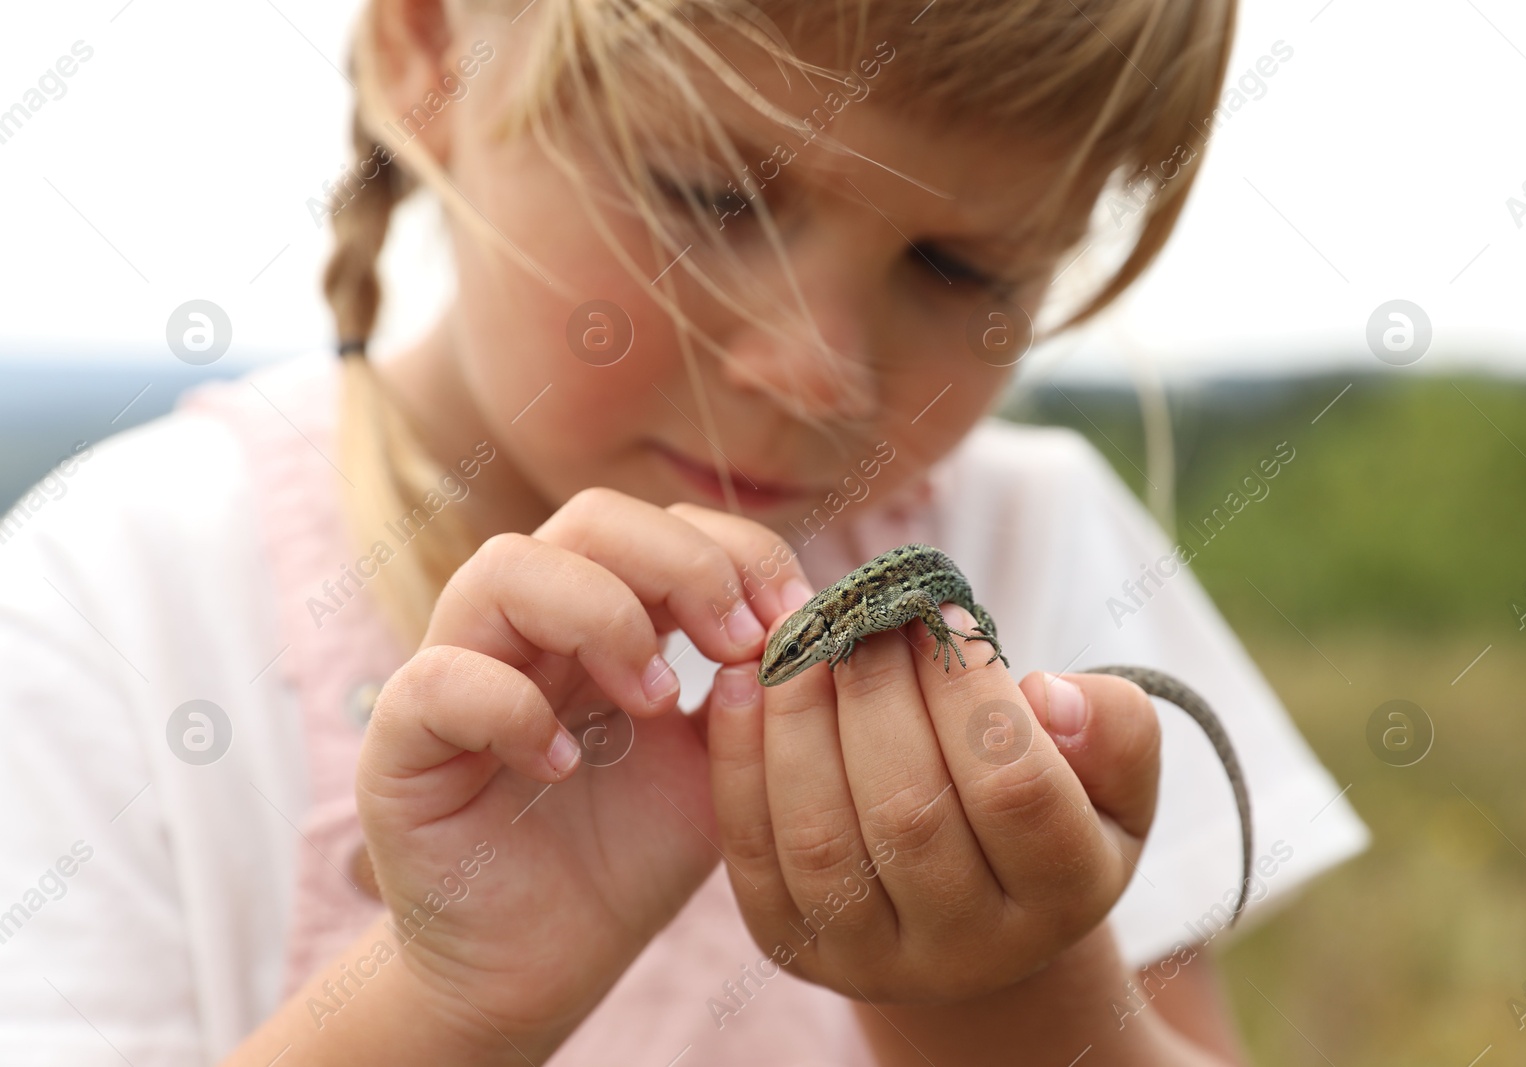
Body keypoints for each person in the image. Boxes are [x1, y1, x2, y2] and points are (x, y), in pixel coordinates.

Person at [0, 1, 1368, 1063]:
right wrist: (451, 999)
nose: (813, 368)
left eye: (963, 267)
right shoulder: (111, 599)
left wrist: (1002, 997)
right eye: (712, 195)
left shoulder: (1039, 533)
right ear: (432, 48)